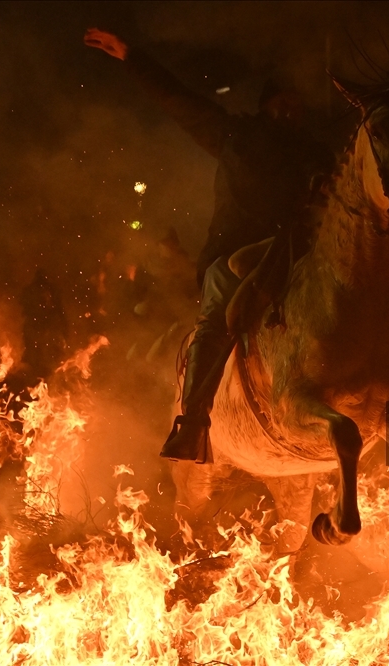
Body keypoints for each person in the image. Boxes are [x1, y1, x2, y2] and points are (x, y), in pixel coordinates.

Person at [85, 28, 333, 463]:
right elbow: (180, 101)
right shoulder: (234, 135)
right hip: (234, 256)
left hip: (295, 257)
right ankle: (194, 420)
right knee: (215, 322)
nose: (290, 110)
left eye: (297, 103)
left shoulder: (314, 153)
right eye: (283, 101)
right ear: (267, 104)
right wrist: (132, 57)